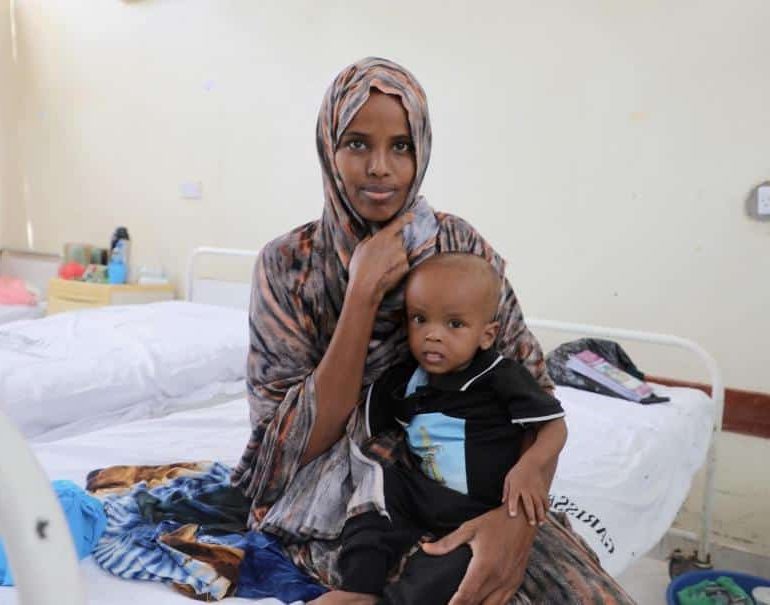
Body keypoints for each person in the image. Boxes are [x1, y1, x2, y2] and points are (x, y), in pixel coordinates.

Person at [232, 57, 634, 605]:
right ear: (329, 149)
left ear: (422, 148)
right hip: (345, 494)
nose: (381, 167)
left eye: (400, 145)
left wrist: (514, 522)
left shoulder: (460, 249)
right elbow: (293, 445)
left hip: (478, 491)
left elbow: (532, 397)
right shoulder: (288, 266)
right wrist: (362, 293)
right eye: (357, 144)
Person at [326, 253, 568, 604]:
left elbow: (554, 427)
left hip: (480, 511)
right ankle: (358, 587)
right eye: (420, 319)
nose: (433, 336)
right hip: (424, 495)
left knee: (449, 571)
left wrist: (530, 466)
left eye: (454, 324)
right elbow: (350, 418)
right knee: (379, 483)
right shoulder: (403, 379)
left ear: (487, 335)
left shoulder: (499, 376)